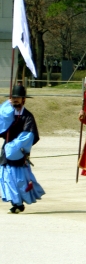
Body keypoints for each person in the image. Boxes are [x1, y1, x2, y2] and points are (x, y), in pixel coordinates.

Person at [0, 85, 42, 213]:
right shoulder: (8, 114)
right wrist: (6, 117)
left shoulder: (28, 116)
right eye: (13, 98)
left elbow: (30, 135)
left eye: (18, 98)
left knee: (19, 179)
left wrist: (17, 146)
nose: (15, 100)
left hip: (19, 151)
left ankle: (19, 201)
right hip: (6, 149)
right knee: (6, 176)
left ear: (24, 99)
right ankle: (16, 203)